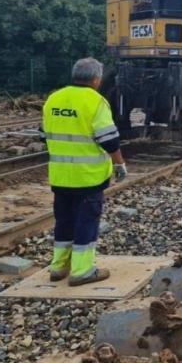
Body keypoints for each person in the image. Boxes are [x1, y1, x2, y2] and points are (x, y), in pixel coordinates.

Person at [42, 58, 127, 286]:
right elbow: (109, 140)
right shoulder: (96, 102)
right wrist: (119, 164)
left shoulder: (54, 98)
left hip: (60, 176)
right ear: (96, 79)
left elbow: (44, 134)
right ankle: (82, 270)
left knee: (64, 220)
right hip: (88, 177)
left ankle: (59, 267)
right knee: (86, 222)